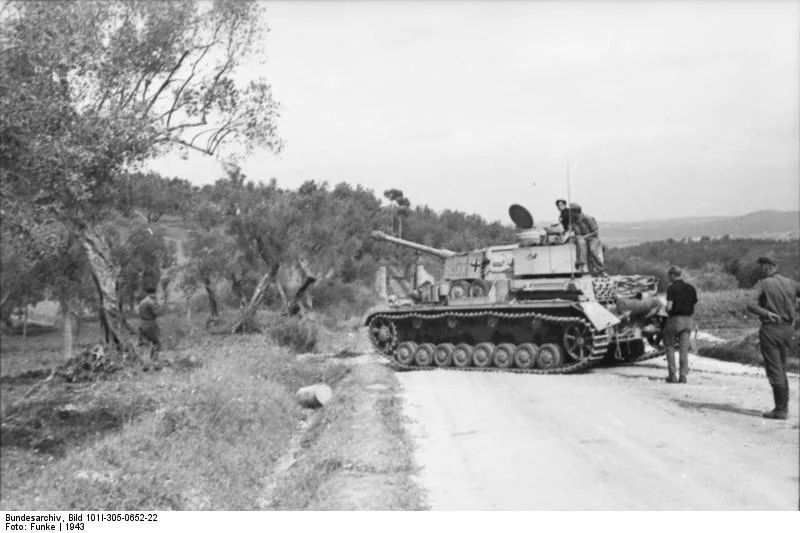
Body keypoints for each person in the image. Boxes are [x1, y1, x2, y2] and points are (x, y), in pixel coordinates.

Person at [746, 255, 799, 420]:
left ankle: (781, 409)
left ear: (767, 267)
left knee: (774, 369)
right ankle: (783, 406)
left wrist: (766, 312)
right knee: (782, 367)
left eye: (761, 266)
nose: (759, 270)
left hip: (771, 328)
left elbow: (750, 304)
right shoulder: (791, 283)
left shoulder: (763, 284)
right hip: (788, 329)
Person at [663, 266, 698, 383]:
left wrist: (666, 311)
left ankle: (672, 376)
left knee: (670, 347)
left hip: (675, 320)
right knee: (684, 349)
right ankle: (683, 376)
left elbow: (669, 307)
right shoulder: (691, 288)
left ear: (672, 275)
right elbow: (694, 306)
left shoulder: (671, 288)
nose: (669, 278)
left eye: (669, 276)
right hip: (688, 320)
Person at [569, 203, 605, 275]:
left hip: (592, 238)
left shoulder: (588, 218)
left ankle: (601, 270)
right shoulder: (573, 220)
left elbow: (595, 232)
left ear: (576, 212)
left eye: (571, 212)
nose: (570, 214)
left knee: (593, 250)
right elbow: (573, 231)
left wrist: (584, 237)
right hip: (581, 239)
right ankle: (581, 266)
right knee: (580, 243)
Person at [138, 287, 161, 367]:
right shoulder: (151, 302)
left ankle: (144, 362)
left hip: (141, 323)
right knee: (157, 342)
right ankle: (155, 362)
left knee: (144, 343)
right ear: (153, 293)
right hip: (150, 323)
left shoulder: (141, 302)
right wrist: (159, 305)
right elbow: (156, 313)